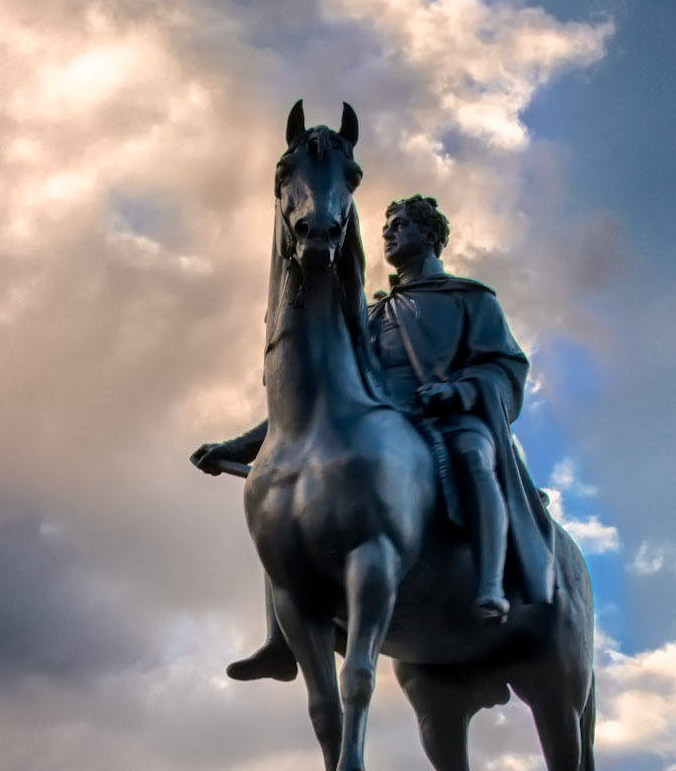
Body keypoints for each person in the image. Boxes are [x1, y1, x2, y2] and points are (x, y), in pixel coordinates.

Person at [194, 192, 556, 678]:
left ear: (431, 235)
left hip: (449, 418)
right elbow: (318, 400)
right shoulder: (367, 316)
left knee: (473, 455)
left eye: (401, 224)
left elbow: (504, 365)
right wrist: (239, 448)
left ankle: (490, 583)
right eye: (386, 226)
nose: (389, 232)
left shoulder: (470, 298)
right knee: (287, 499)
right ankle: (280, 641)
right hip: (382, 423)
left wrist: (460, 390)